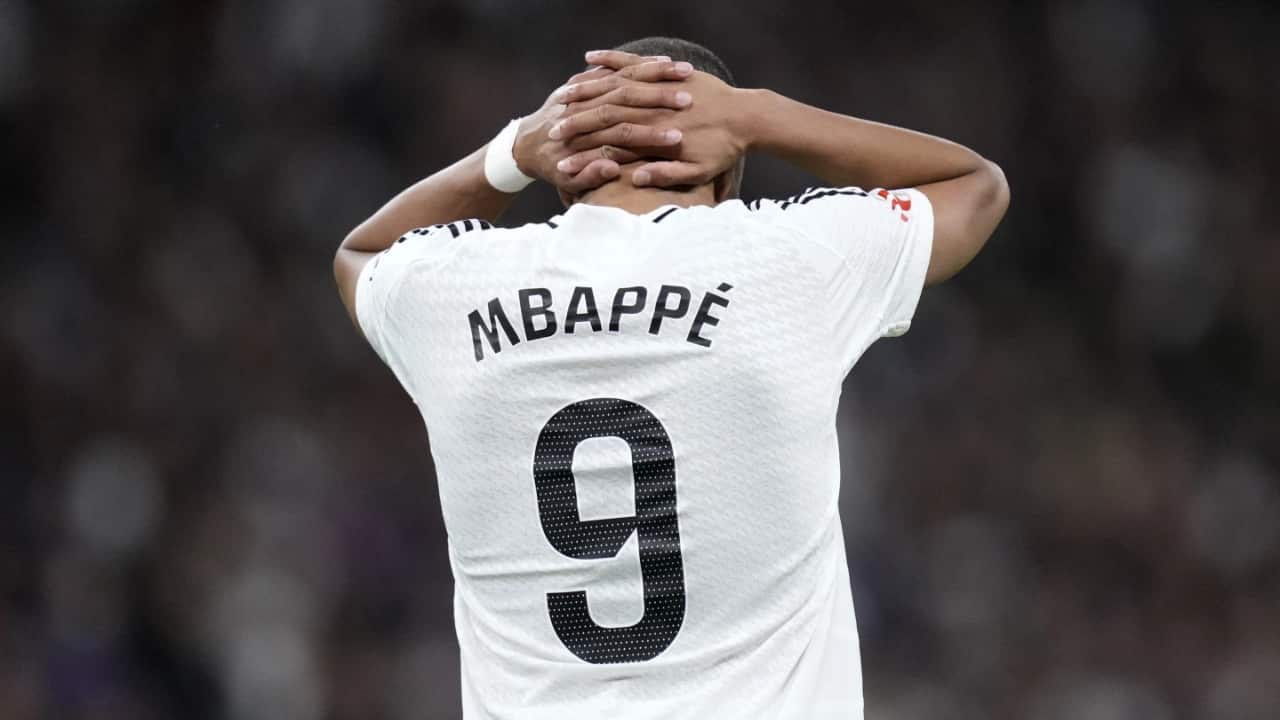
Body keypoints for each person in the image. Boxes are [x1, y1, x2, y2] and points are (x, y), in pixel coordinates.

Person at [333, 37, 1007, 720]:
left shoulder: (457, 290)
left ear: (566, 169)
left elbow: (362, 254)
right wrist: (759, 117)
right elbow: (975, 188)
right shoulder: (787, 260)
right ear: (726, 169)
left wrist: (508, 155)